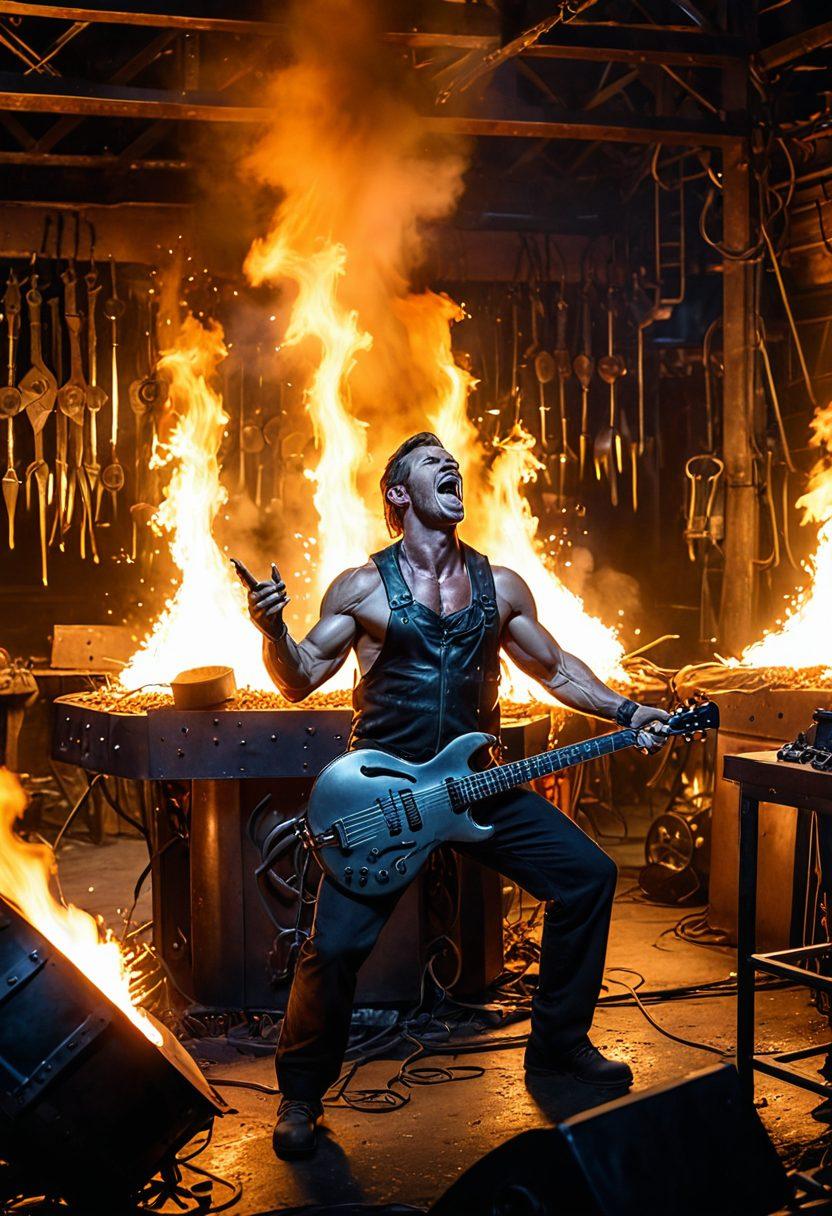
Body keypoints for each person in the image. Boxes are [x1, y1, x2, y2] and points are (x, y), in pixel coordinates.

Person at [246, 431, 669, 1160]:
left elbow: (557, 670)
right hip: (386, 799)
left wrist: (629, 712)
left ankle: (560, 1046)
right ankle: (301, 1098)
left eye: (453, 462)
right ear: (399, 496)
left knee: (587, 878)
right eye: (431, 462)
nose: (451, 466)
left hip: (477, 787)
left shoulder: (500, 585)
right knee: (334, 948)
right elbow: (297, 675)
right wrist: (270, 628)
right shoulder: (363, 586)